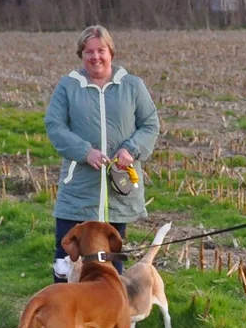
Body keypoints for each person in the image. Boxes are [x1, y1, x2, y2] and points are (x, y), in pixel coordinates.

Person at [43, 25, 159, 282]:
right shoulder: (68, 87)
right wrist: (86, 152)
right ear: (81, 55)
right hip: (78, 191)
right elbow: (55, 126)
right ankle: (65, 314)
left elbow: (150, 124)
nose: (95, 57)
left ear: (111, 52)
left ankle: (106, 315)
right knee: (66, 258)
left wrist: (131, 148)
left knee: (110, 262)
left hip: (118, 191)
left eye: (101, 50)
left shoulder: (132, 86)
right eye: (89, 52)